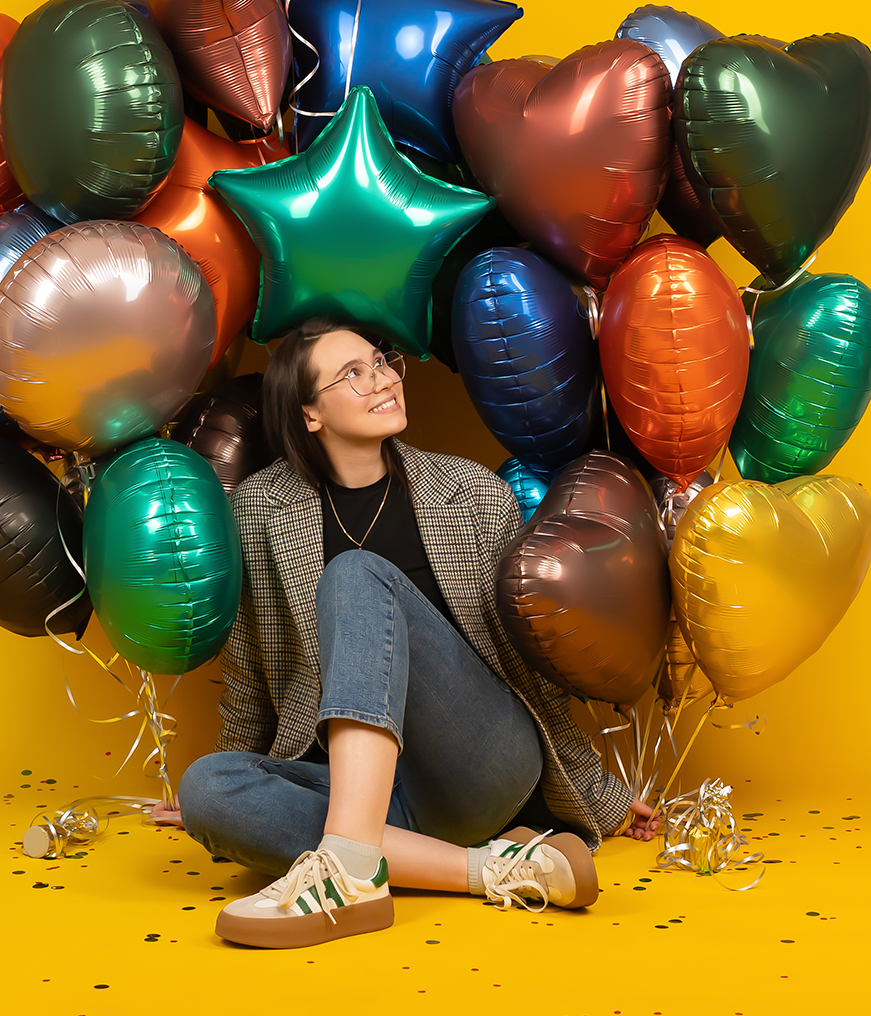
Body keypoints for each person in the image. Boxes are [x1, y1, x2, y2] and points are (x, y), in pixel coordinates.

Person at [165, 316, 661, 949]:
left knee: (354, 575)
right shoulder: (261, 511)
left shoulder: (473, 494)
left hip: (477, 765)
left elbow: (528, 661)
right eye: (352, 374)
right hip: (368, 795)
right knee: (206, 788)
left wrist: (599, 792)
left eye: (380, 363)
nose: (381, 380)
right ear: (310, 413)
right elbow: (253, 669)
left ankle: (348, 867)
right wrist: (239, 772)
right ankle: (492, 868)